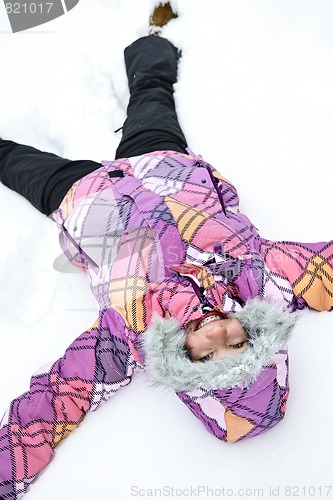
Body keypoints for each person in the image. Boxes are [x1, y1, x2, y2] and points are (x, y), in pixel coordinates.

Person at [0, 2, 332, 498]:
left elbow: (58, 399)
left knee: (12, 162)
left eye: (209, 354)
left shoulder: (130, 337)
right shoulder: (266, 279)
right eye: (239, 343)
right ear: (260, 336)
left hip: (83, 198)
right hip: (163, 165)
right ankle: (156, 36)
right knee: (152, 95)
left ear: (186, 364)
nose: (219, 332)